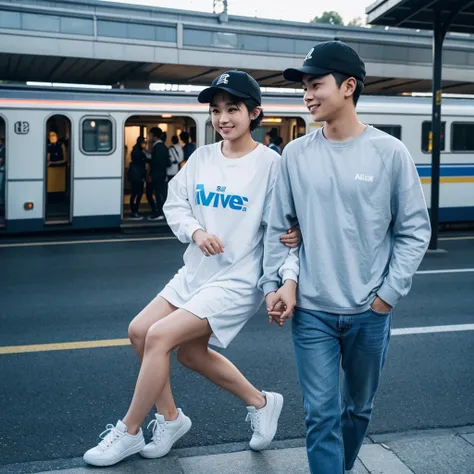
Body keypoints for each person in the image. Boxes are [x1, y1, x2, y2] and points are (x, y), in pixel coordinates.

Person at [83, 70, 301, 467]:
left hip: (239, 278)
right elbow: (175, 203)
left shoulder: (272, 164)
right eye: (216, 111)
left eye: (232, 109)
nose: (223, 119)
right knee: (152, 337)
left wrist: (288, 276)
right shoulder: (200, 158)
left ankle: (128, 432)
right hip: (197, 271)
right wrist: (196, 231)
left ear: (255, 113)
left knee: (160, 337)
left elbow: (285, 229)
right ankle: (210, 412)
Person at [260, 41, 431, 474]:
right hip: (312, 312)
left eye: (316, 84)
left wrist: (386, 298)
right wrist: (275, 283)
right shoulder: (295, 155)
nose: (307, 95)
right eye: (304, 86)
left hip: (369, 313)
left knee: (357, 408)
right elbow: (278, 229)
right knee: (320, 414)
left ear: (349, 86)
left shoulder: (390, 153)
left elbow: (414, 231)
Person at [147, 127, 169, 221]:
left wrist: (148, 159)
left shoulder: (158, 147)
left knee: (157, 193)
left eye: (150, 135)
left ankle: (159, 212)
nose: (149, 137)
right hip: (160, 174)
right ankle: (158, 212)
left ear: (154, 136)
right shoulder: (162, 146)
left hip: (157, 174)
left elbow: (157, 163)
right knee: (158, 193)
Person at [128, 136, 148, 219]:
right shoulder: (138, 152)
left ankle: (134, 211)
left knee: (135, 194)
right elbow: (143, 160)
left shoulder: (135, 150)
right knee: (137, 194)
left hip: (135, 175)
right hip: (138, 175)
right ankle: (134, 211)